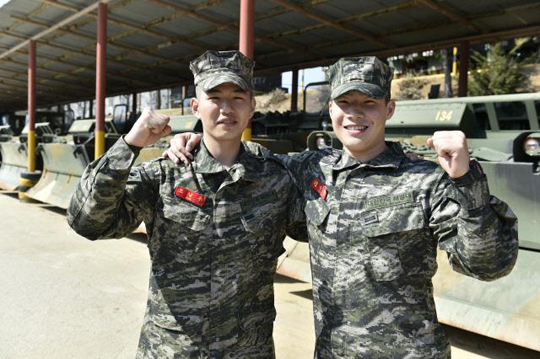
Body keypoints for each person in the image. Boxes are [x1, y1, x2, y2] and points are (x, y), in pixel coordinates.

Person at [165, 56, 519, 358]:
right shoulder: (308, 169)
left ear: (389, 109)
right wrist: (200, 139)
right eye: (345, 103)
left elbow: (487, 265)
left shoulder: (425, 180)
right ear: (331, 108)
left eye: (369, 103)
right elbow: (246, 160)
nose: (355, 114)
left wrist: (466, 179)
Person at [67, 50, 306, 358]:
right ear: (196, 106)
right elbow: (86, 222)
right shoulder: (163, 176)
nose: (226, 108)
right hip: (172, 349)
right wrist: (129, 145)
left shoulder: (278, 178)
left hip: (248, 349)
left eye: (237, 97)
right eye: (214, 97)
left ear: (252, 108)